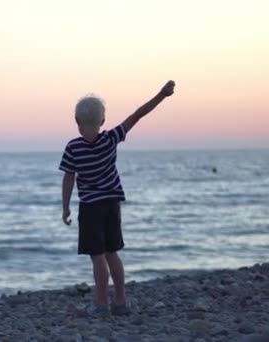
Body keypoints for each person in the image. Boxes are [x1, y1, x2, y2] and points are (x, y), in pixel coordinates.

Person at [59, 80, 176, 316]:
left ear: (77, 122)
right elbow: (138, 114)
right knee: (112, 253)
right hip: (112, 205)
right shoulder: (111, 138)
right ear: (102, 121)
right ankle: (120, 302)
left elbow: (68, 178)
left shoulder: (73, 147)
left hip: (91, 208)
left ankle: (101, 304)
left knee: (97, 257)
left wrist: (65, 208)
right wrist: (162, 94)